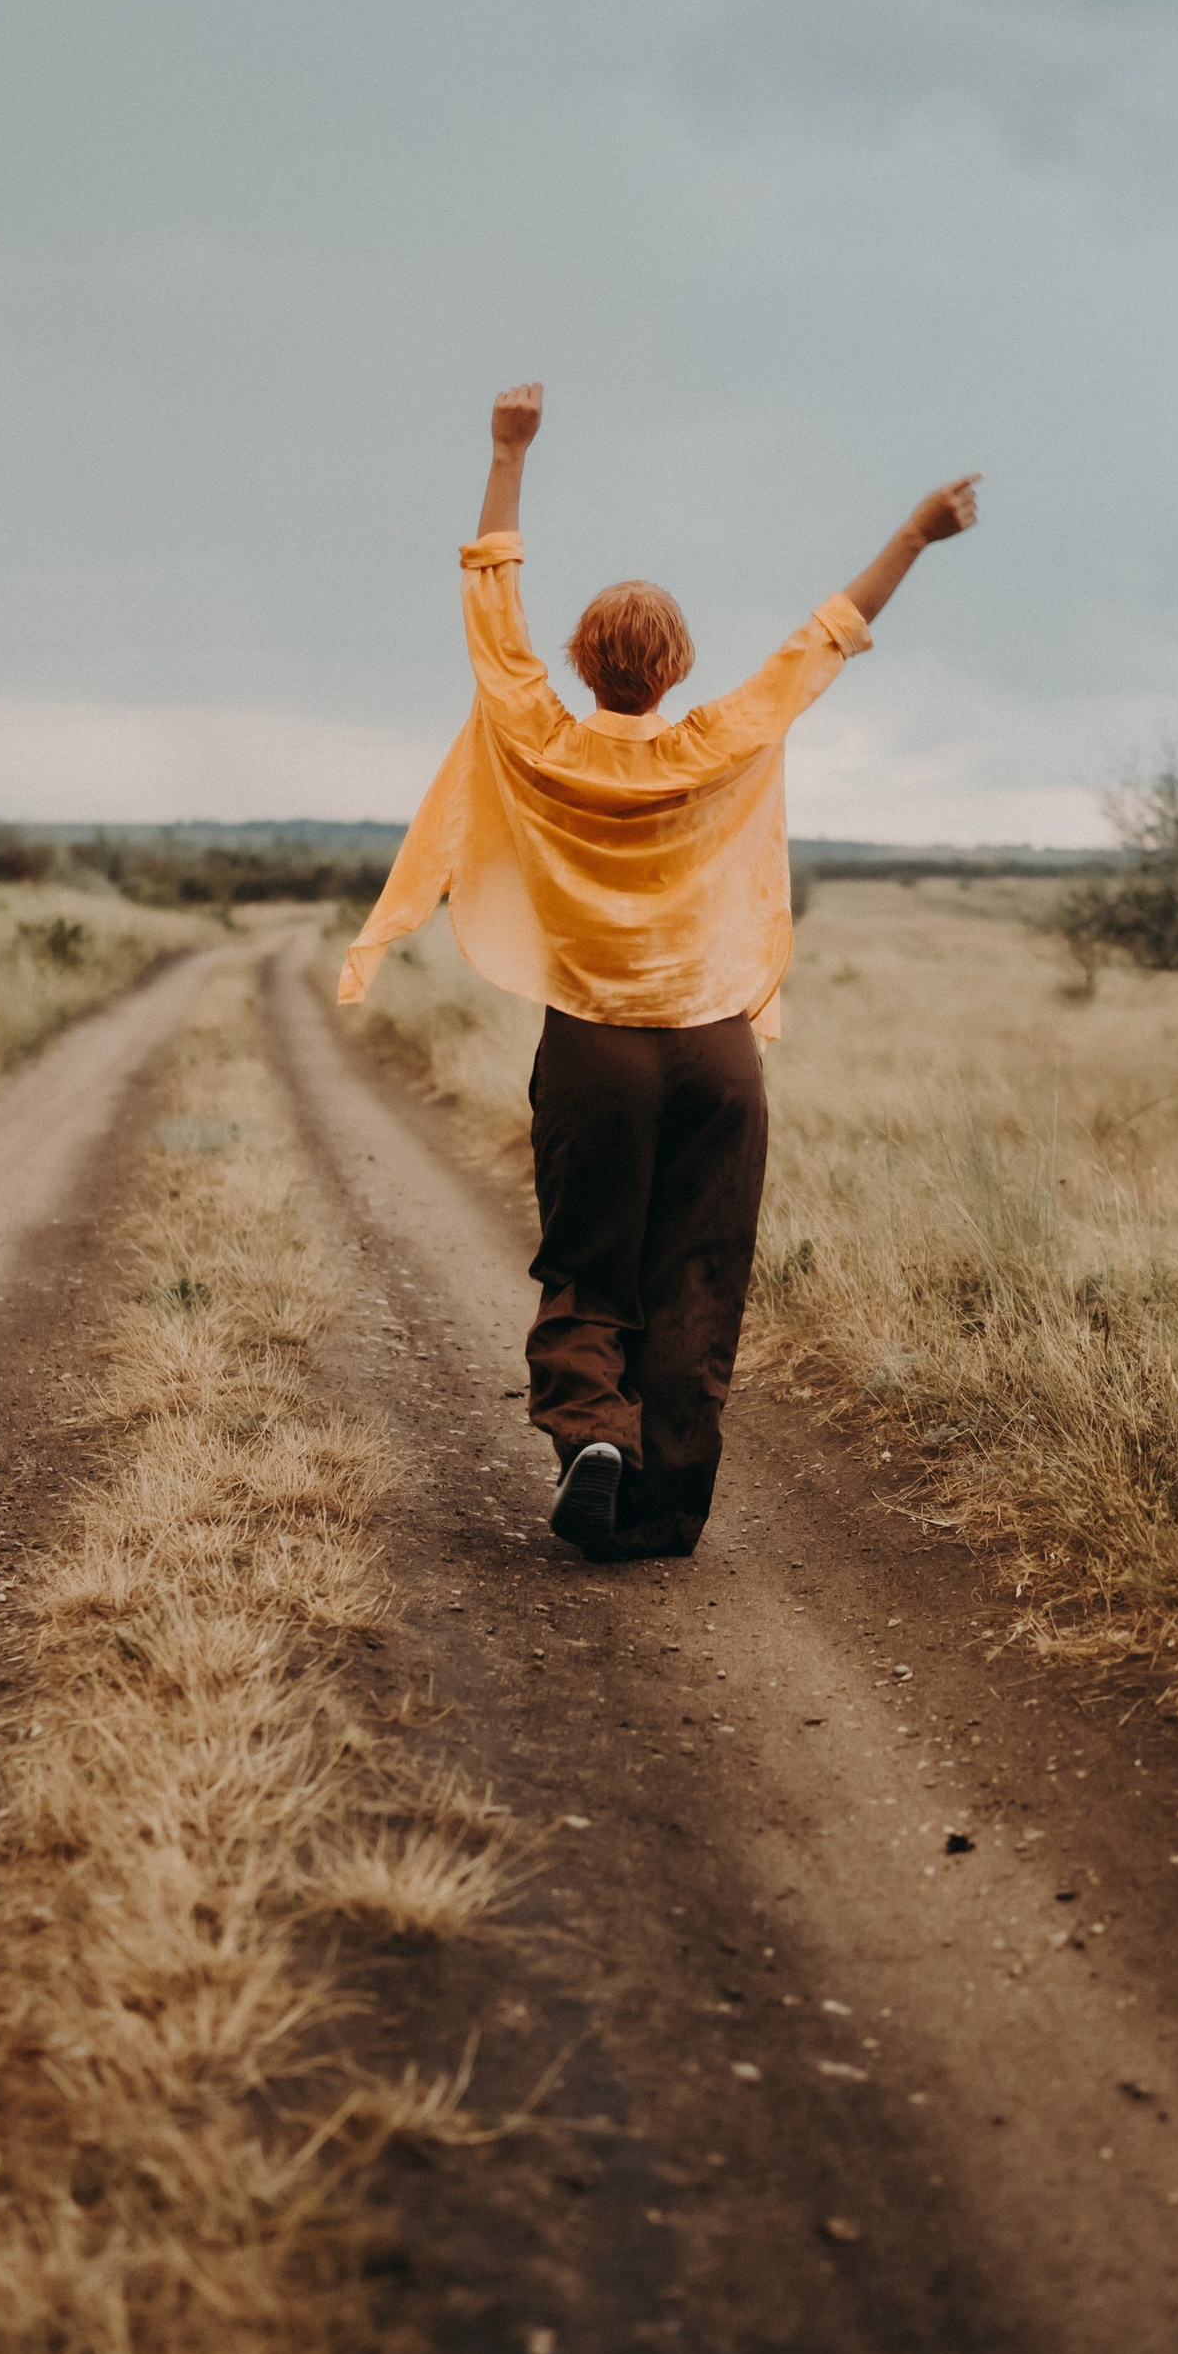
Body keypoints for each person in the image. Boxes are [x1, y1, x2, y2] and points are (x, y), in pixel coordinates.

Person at [341, 382, 980, 1560]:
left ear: (583, 660)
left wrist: (507, 450)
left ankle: (595, 1432)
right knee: (699, 1265)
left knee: (590, 1259)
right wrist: (914, 535)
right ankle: (667, 1501)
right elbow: (827, 633)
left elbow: (491, 595)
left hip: (595, 1046)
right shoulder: (722, 738)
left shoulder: (535, 728)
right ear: (678, 666)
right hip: (717, 1049)